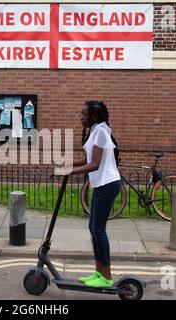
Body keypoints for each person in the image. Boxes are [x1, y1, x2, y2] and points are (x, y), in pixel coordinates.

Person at [54, 100, 121, 288]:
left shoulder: (100, 131)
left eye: (84, 114)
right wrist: (66, 165)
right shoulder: (95, 130)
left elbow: (94, 165)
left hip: (107, 184)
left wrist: (68, 172)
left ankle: (106, 277)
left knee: (98, 230)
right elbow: (86, 159)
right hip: (102, 185)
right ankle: (98, 273)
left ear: (94, 116)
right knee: (94, 229)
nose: (80, 117)